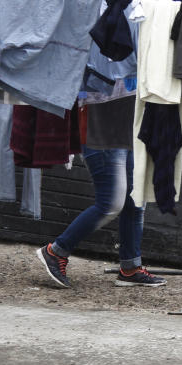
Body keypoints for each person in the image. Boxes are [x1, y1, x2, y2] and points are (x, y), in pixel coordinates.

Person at [35, 93, 166, 288]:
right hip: (101, 133)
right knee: (110, 204)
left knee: (135, 200)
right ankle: (55, 251)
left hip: (128, 131)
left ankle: (130, 268)